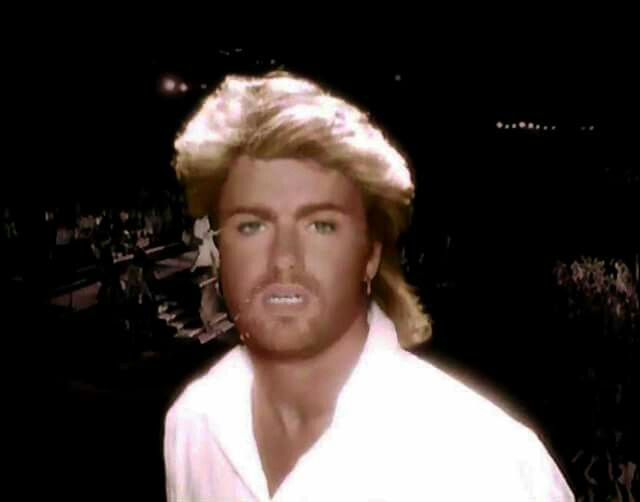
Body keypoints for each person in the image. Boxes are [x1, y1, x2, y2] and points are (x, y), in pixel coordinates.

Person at [163, 72, 575, 501]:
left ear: (371, 254)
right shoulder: (193, 423)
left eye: (321, 225)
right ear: (218, 249)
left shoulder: (492, 466)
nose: (284, 257)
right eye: (252, 225)